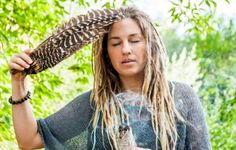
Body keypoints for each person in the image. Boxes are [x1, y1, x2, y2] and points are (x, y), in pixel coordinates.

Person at [8, 7, 211, 150]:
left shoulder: (181, 97)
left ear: (150, 45)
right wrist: (18, 82)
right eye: (115, 43)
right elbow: (29, 140)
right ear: (106, 54)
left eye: (134, 40)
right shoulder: (95, 105)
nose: (125, 49)